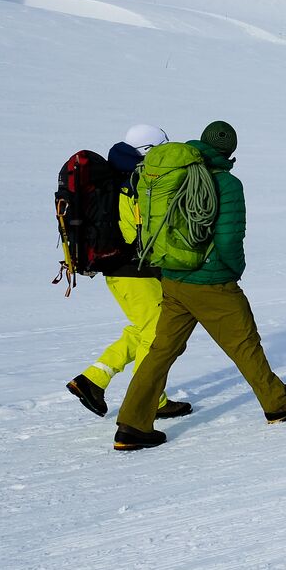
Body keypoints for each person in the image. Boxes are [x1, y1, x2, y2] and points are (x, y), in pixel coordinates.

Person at [113, 121, 286, 450]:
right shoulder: (225, 182)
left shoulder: (177, 172)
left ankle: (132, 424)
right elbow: (228, 238)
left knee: (161, 350)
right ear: (230, 151)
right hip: (209, 280)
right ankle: (278, 401)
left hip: (173, 276)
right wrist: (234, 269)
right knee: (244, 342)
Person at [66, 125, 193, 421]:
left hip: (125, 270)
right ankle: (150, 400)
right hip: (131, 270)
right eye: (164, 144)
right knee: (158, 332)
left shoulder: (121, 173)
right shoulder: (131, 180)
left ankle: (92, 381)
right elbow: (131, 230)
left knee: (143, 328)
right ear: (148, 150)